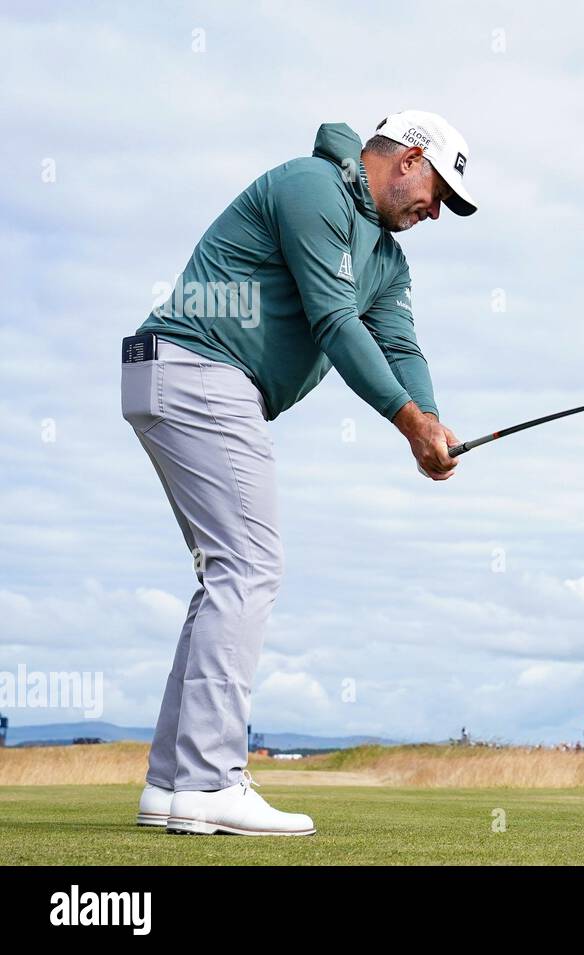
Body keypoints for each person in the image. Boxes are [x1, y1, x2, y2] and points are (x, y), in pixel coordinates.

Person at [127, 111, 479, 837]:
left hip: (176, 374)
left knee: (223, 572)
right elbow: (334, 322)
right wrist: (407, 423)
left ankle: (170, 782)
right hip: (199, 366)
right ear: (408, 158)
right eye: (436, 190)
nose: (435, 210)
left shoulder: (387, 259)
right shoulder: (312, 187)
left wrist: (432, 418)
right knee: (251, 566)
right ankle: (210, 781)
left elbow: (400, 344)